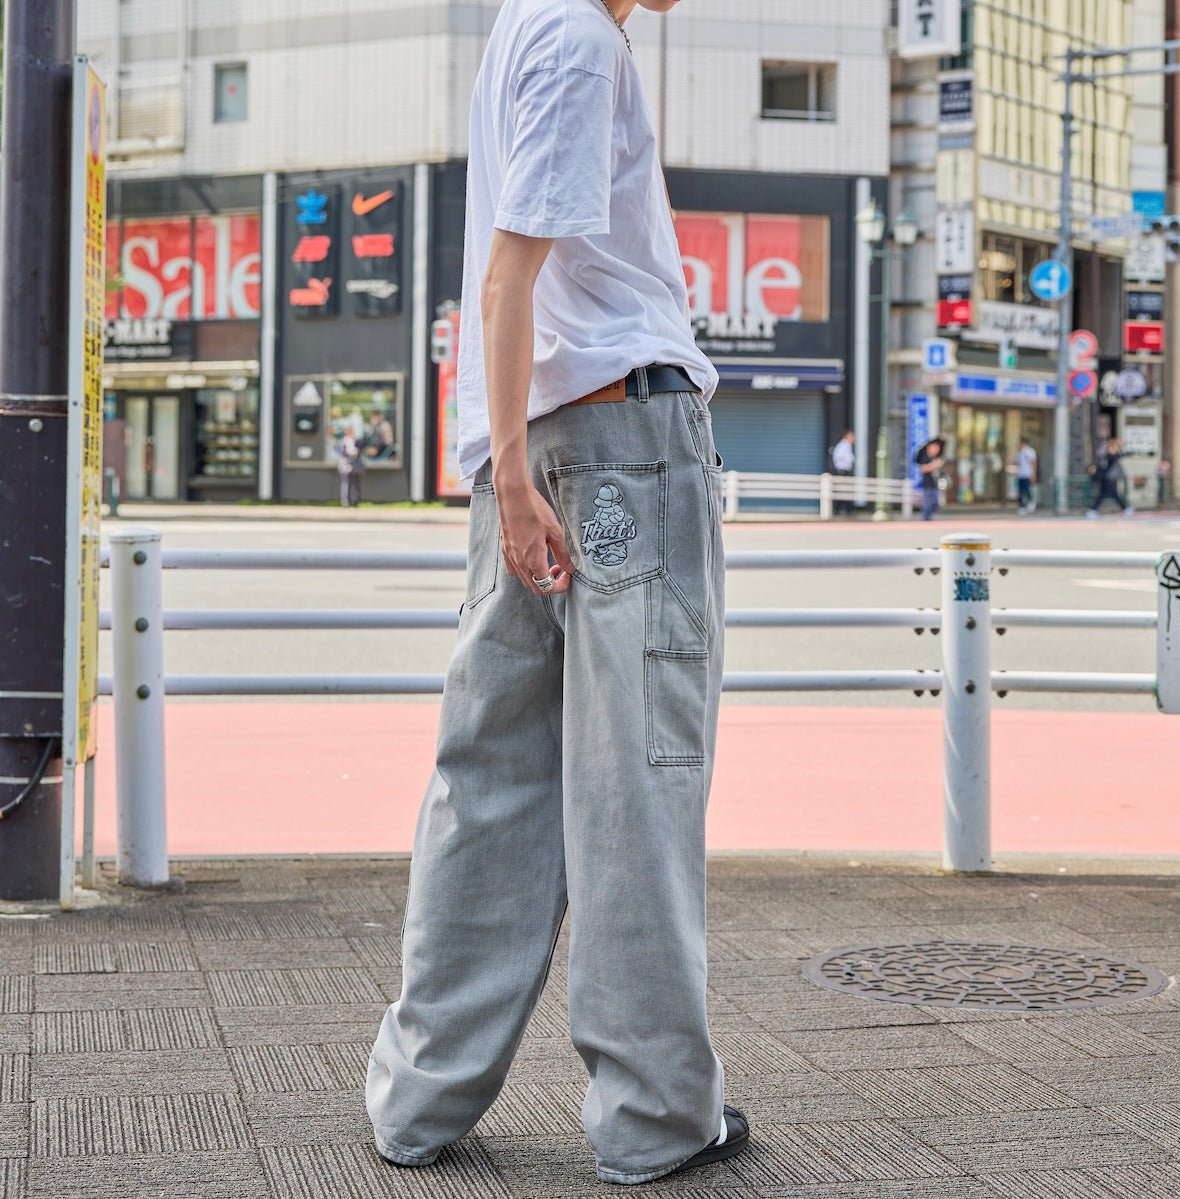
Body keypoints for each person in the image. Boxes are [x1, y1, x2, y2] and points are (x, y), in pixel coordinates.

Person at [365, 0, 747, 1187]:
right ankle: (652, 1116)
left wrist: (504, 467)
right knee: (636, 775)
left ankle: (418, 1098)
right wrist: (520, 475)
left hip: (523, 447)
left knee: (490, 774)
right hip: (619, 434)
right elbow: (507, 273)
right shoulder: (582, 40)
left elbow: (506, 278)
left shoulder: (522, 24)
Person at [1086, 436, 1134, 518]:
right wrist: (1114, 445)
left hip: (1108, 477)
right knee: (1113, 494)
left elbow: (1121, 454)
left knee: (1103, 494)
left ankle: (1093, 510)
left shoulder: (1113, 453)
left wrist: (1118, 446)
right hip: (1107, 477)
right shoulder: (1106, 453)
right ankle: (1125, 509)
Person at [914, 436, 945, 521]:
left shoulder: (935, 458)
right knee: (927, 502)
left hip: (935, 483)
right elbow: (923, 469)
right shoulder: (925, 457)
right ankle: (926, 518)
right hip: (927, 483)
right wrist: (934, 465)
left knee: (935, 501)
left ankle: (928, 516)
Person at [830, 429, 855, 515]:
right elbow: (840, 458)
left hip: (845, 471)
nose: (853, 439)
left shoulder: (846, 446)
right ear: (847, 436)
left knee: (844, 491)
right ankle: (839, 510)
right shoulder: (843, 446)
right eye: (852, 436)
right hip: (842, 471)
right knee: (842, 490)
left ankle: (844, 509)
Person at [337, 429, 364, 507]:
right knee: (345, 484)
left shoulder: (356, 441)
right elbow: (342, 452)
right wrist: (350, 453)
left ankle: (356, 500)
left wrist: (356, 451)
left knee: (356, 483)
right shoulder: (342, 442)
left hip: (356, 465)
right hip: (345, 465)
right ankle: (345, 501)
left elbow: (360, 449)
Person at [1013, 436, 1037, 514]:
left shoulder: (1030, 451)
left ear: (1023, 443)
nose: (1018, 444)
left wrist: (1033, 474)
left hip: (1028, 474)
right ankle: (1022, 507)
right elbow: (1018, 463)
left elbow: (1033, 463)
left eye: (1019, 443)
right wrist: (1017, 473)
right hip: (1021, 474)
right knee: (1020, 491)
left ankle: (1031, 504)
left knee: (1027, 490)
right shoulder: (1020, 452)